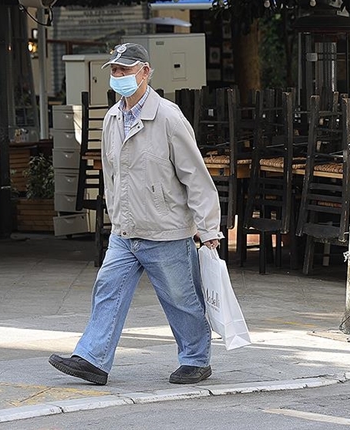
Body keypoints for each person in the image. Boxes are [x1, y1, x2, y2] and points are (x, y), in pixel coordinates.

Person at [49, 43, 223, 386]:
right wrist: (115, 217)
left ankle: (196, 359)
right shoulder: (112, 119)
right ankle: (92, 359)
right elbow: (113, 175)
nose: (119, 76)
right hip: (125, 230)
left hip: (166, 230)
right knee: (107, 289)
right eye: (114, 71)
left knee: (181, 300)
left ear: (145, 72)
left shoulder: (169, 117)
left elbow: (196, 177)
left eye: (125, 70)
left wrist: (209, 228)